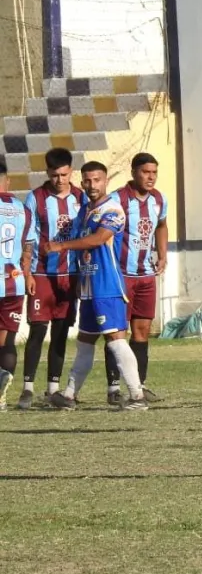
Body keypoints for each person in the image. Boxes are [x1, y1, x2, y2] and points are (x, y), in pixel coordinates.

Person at [47, 162, 147, 411]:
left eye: (97, 180)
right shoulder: (84, 212)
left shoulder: (113, 209)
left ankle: (137, 396)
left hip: (108, 286)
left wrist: (61, 246)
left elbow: (98, 239)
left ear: (106, 181)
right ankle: (69, 396)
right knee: (85, 341)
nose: (92, 185)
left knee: (115, 339)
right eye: (88, 181)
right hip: (89, 287)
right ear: (82, 183)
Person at [17, 148, 84, 409]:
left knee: (60, 332)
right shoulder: (36, 198)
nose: (60, 180)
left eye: (64, 174)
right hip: (42, 274)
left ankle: (53, 389)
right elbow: (28, 237)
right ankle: (27, 388)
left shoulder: (80, 198)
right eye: (55, 175)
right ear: (47, 173)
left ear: (71, 171)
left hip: (70, 275)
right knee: (37, 331)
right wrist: (27, 273)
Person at [103, 153, 170, 404]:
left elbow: (162, 225)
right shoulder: (118, 198)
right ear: (134, 172)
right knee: (116, 331)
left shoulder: (159, 199)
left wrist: (162, 254)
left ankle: (139, 386)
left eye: (154, 172)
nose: (150, 177)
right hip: (120, 275)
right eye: (145, 172)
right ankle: (113, 389)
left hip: (145, 275)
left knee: (142, 330)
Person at [0, 158, 36, 410]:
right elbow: (28, 248)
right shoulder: (23, 209)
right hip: (14, 284)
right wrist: (27, 274)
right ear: (8, 180)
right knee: (6, 341)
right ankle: (1, 392)